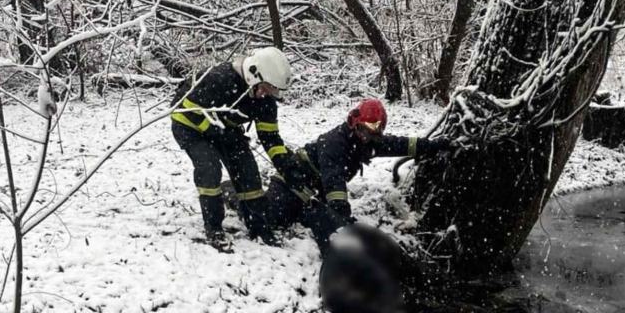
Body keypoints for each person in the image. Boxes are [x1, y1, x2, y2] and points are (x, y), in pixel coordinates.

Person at [263, 98, 453, 254]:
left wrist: (435, 146)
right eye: (363, 130)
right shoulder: (334, 143)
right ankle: (235, 194)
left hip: (313, 195)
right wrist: (342, 215)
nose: (366, 136)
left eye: (372, 133)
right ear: (355, 123)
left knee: (315, 219)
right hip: (288, 186)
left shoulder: (369, 142)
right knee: (270, 218)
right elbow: (334, 181)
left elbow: (400, 144)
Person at [170, 47, 308, 251]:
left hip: (226, 130)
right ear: (254, 75)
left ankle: (259, 226)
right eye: (267, 87)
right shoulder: (217, 79)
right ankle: (214, 227)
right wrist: (216, 131)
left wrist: (286, 165)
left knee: (248, 172)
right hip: (190, 128)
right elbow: (183, 112)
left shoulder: (265, 102)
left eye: (272, 90)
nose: (267, 94)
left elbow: (270, 138)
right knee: (209, 168)